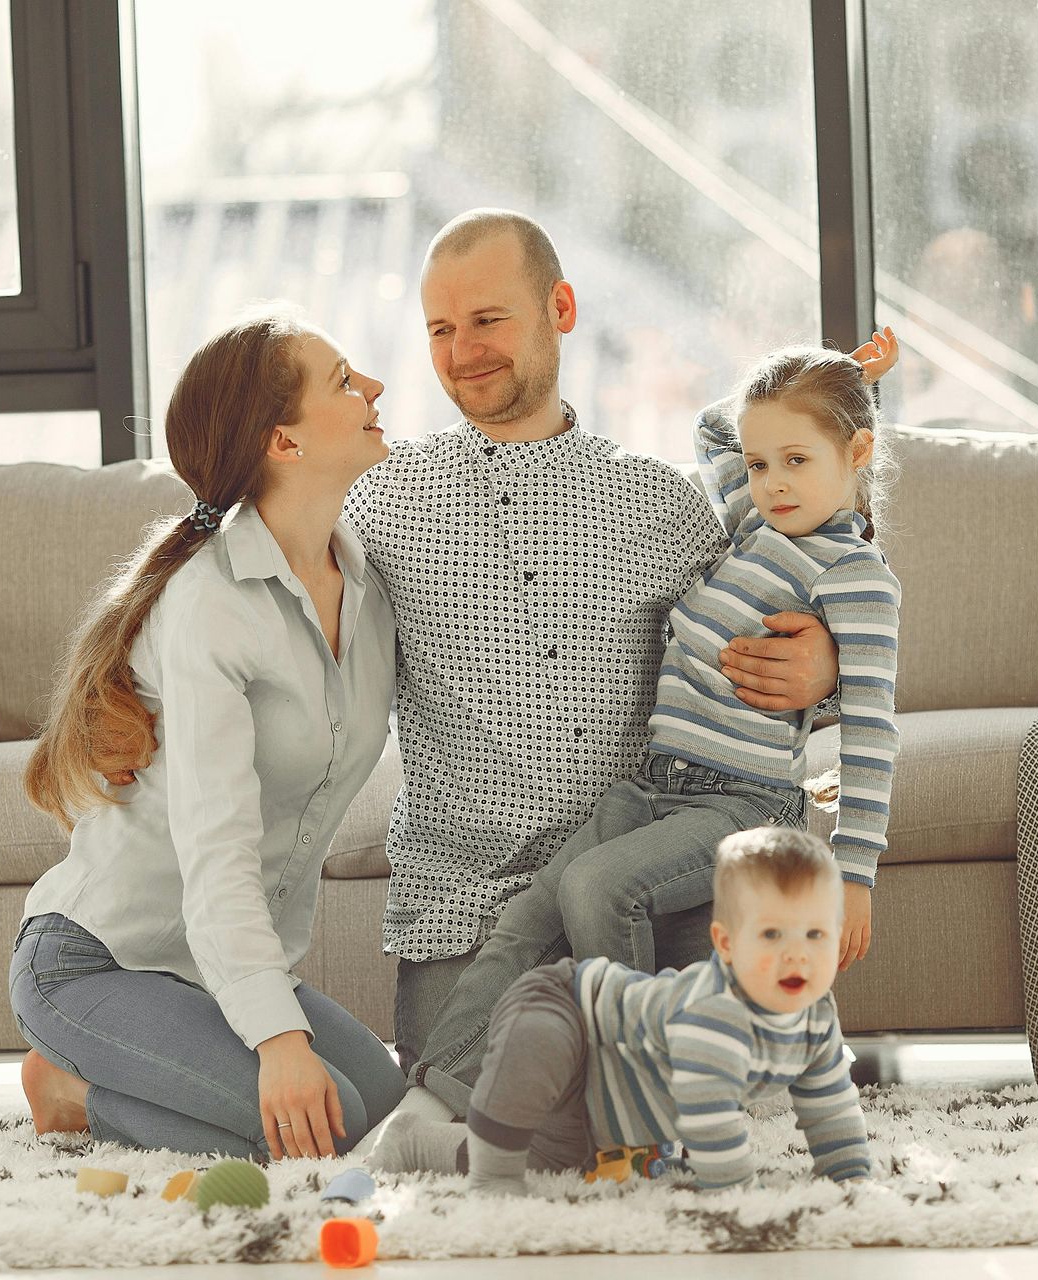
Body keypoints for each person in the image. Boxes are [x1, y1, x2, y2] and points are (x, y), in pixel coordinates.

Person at [340, 209, 843, 1073]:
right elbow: (252, 575)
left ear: (561, 308)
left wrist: (822, 670)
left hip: (643, 888)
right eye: (441, 330)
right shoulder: (380, 504)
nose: (463, 352)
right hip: (472, 910)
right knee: (480, 1112)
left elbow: (768, 632)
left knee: (709, 1090)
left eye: (488, 320)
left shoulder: (661, 504)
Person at [405, 334, 904, 1104]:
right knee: (529, 914)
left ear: (858, 449)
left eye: (798, 460)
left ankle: (650, 1109)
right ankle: (431, 1098)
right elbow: (714, 429)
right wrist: (844, 374)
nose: (772, 481)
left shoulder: (855, 573)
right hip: (652, 788)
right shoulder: (755, 529)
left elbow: (872, 733)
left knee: (599, 889)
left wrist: (858, 876)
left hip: (743, 803)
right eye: (763, 463)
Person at [9, 308, 408, 1160]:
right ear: (284, 443)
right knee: (318, 1129)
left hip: (207, 971)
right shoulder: (210, 602)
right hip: (97, 962)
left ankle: (129, 1075)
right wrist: (278, 1045)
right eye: (343, 380)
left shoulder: (370, 581)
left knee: (382, 1103)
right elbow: (218, 849)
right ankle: (72, 1087)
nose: (373, 387)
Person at [369, 826, 872, 1195]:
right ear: (726, 944)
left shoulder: (816, 1017)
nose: (796, 955)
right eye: (771, 936)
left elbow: (830, 1104)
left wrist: (850, 1181)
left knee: (549, 1161)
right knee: (523, 1097)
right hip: (567, 1008)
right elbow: (709, 1122)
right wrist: (738, 1198)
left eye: (815, 935)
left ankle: (413, 1143)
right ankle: (492, 1178)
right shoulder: (715, 1012)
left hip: (603, 1107)